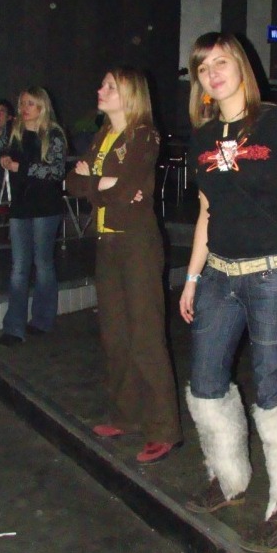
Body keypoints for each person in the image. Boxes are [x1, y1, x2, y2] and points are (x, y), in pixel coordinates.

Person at [179, 32, 277, 553]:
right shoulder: (201, 137)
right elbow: (207, 212)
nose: (213, 73)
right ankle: (228, 477)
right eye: (203, 67)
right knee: (205, 383)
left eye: (221, 62)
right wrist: (192, 277)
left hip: (274, 274)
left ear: (242, 66)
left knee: (273, 390)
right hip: (218, 275)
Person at [66, 67, 182, 464]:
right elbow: (71, 183)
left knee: (145, 336)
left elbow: (128, 188)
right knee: (114, 334)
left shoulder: (144, 135)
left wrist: (96, 181)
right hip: (107, 242)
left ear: (130, 94)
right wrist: (104, 183)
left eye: (110, 86)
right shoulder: (103, 135)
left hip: (137, 244)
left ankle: (164, 429)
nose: (100, 90)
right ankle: (126, 415)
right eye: (102, 84)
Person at [0, 88, 67, 345]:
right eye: (22, 103)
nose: (24, 108)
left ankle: (42, 319)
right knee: (19, 267)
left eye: (30, 104)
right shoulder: (14, 130)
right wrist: (3, 157)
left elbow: (56, 170)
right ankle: (13, 327)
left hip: (45, 206)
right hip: (21, 205)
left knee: (43, 263)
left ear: (41, 106)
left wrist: (22, 167)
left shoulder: (54, 134)